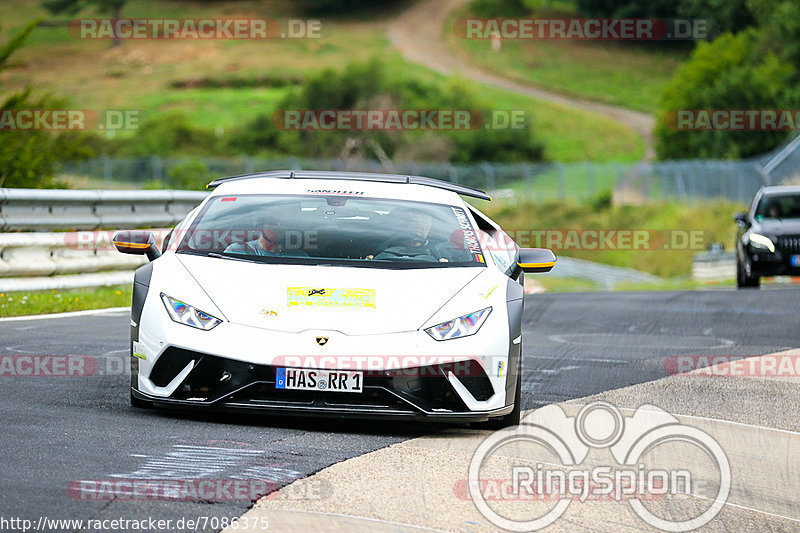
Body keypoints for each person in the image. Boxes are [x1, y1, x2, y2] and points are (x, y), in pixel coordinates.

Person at [225, 211, 309, 257]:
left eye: (282, 224)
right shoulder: (237, 251)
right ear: (260, 226)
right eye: (272, 223)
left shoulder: (300, 257)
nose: (277, 227)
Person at [371, 209, 440, 261]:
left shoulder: (442, 249)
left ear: (431, 225)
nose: (419, 226)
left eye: (424, 222)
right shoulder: (375, 246)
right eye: (412, 221)